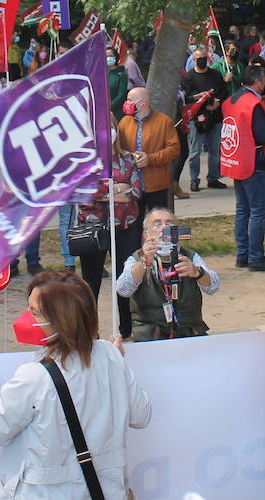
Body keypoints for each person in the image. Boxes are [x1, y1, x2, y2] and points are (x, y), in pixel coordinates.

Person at [0, 271, 151, 499]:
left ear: (60, 321)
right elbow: (141, 415)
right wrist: (116, 362)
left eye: (34, 312)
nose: (26, 317)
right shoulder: (111, 355)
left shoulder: (34, 376)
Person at [76, 128, 142, 339]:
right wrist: (116, 190)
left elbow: (137, 191)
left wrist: (105, 192)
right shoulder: (83, 161)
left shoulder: (128, 159)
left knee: (125, 277)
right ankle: (89, 331)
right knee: (90, 282)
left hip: (125, 228)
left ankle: (126, 328)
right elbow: (83, 191)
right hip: (93, 229)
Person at [115, 208, 220, 340]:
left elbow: (213, 286)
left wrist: (198, 272)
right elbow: (123, 290)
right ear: (146, 234)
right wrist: (144, 262)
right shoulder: (137, 258)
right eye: (158, 224)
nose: (164, 228)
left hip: (189, 331)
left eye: (169, 225)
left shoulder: (190, 256)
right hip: (150, 335)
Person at [220, 64, 265, 272]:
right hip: (252, 160)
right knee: (258, 210)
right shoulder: (253, 103)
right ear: (258, 81)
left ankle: (243, 254)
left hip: (237, 157)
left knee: (243, 209)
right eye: (264, 80)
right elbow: (263, 136)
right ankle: (256, 256)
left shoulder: (232, 99)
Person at [116, 87, 181, 213]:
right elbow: (120, 149)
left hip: (157, 185)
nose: (126, 103)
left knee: (158, 220)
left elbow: (174, 150)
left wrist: (150, 159)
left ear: (141, 103)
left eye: (129, 100)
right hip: (132, 185)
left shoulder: (164, 122)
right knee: (134, 226)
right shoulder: (124, 122)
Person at [180, 45, 227, 192]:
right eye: (199, 59)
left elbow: (223, 91)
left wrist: (216, 103)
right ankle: (194, 180)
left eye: (204, 58)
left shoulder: (216, 74)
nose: (202, 61)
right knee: (195, 153)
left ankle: (213, 178)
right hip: (196, 119)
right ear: (193, 60)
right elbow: (186, 97)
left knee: (215, 152)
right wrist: (199, 97)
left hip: (215, 117)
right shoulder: (188, 77)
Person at [107, 45, 129, 120]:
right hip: (103, 112)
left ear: (115, 57)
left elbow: (121, 95)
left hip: (117, 112)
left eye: (111, 56)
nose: (108, 58)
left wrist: (109, 106)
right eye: (106, 56)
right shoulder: (103, 74)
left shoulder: (121, 75)